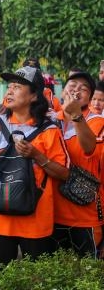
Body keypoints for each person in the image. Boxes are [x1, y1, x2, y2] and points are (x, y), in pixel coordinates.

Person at [0, 66, 68, 271]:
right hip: (1, 218)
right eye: (9, 87)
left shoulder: (50, 129)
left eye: (17, 87)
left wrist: (36, 155)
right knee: (3, 277)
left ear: (34, 96)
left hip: (36, 220)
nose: (9, 91)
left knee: (38, 279)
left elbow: (64, 173)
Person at [51, 71, 104, 256]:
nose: (77, 90)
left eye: (84, 88)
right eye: (72, 85)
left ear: (89, 98)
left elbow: (88, 148)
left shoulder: (96, 121)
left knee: (86, 275)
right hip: (52, 213)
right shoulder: (50, 120)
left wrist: (76, 115)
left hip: (84, 214)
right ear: (63, 90)